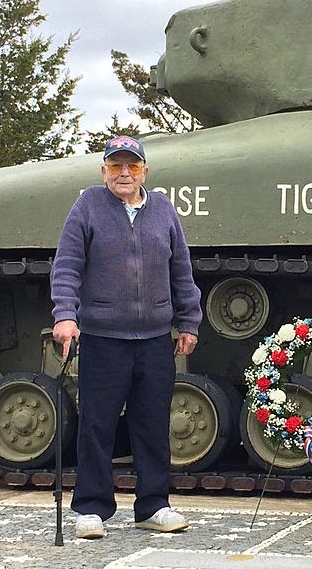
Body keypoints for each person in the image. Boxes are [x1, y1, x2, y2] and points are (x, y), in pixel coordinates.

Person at [51, 135, 202, 540]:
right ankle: (91, 508)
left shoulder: (164, 211)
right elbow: (66, 266)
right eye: (115, 165)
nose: (124, 173)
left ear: (144, 172)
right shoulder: (87, 207)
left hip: (154, 337)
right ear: (103, 171)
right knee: (96, 424)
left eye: (131, 166)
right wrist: (65, 315)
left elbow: (181, 271)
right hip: (103, 336)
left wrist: (189, 321)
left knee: (152, 425)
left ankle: (153, 505)